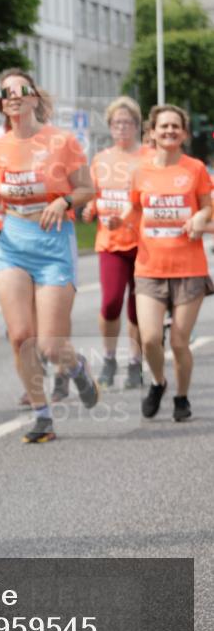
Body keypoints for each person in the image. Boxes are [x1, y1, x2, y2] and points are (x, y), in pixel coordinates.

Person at [0, 68, 99, 444]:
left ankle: (76, 366)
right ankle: (41, 414)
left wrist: (63, 200)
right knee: (20, 337)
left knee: (51, 344)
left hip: (53, 244)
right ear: (2, 104)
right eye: (6, 92)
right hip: (12, 242)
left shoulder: (62, 141)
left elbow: (86, 189)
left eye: (21, 90)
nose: (13, 96)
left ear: (34, 97)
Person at [126, 105, 212, 420]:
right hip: (149, 267)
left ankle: (181, 397)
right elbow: (134, 210)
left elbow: (208, 208)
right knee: (149, 338)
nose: (170, 131)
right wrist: (118, 221)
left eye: (176, 126)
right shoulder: (140, 171)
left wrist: (200, 218)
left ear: (184, 133)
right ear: (152, 133)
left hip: (189, 268)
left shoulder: (196, 169)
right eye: (164, 127)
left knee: (178, 341)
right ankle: (159, 381)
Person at [82, 97, 144, 389]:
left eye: (127, 122)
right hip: (110, 242)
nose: (122, 128)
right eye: (117, 123)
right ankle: (109, 357)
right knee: (110, 303)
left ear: (137, 125)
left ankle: (135, 361)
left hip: (144, 244)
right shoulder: (101, 159)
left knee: (136, 309)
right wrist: (89, 209)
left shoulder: (148, 157)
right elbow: (95, 195)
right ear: (110, 126)